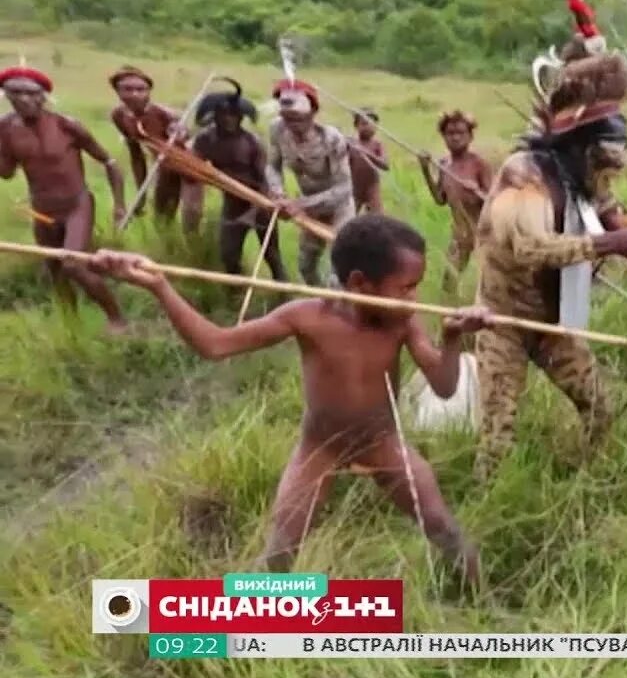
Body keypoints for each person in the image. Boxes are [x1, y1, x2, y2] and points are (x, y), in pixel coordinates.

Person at [87, 214, 486, 585]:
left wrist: (451, 338)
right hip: (320, 448)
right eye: (407, 288)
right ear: (361, 284)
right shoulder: (307, 317)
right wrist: (159, 285)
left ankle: (481, 602)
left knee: (443, 528)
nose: (415, 299)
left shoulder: (402, 322)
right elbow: (214, 344)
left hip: (382, 442)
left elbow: (445, 386)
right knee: (279, 553)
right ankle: (255, 634)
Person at [471, 34, 627, 482]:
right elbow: (531, 247)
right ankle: (485, 499)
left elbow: (624, 235)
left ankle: (585, 482)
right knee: (497, 434)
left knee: (600, 408)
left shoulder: (586, 180)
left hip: (554, 322)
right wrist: (609, 246)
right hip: (503, 321)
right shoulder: (525, 176)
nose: (608, 175)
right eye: (603, 162)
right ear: (581, 147)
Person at [0, 65, 129, 332]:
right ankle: (71, 324)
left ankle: (116, 319)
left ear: (43, 96)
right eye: (15, 93)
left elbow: (109, 161)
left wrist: (119, 204)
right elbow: (7, 172)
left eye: (30, 93)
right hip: (41, 211)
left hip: (76, 206)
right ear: (6, 96)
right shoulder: (5, 129)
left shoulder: (66, 125)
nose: (24, 99)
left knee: (73, 265)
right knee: (55, 270)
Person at [191, 77, 287, 282]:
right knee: (229, 256)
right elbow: (193, 167)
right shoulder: (205, 140)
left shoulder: (251, 142)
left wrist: (258, 208)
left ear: (241, 117)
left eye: (233, 115)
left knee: (272, 256)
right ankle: (233, 295)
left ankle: (283, 295)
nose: (228, 119)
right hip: (232, 206)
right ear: (214, 116)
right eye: (223, 114)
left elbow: (265, 179)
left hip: (259, 204)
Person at [265, 79, 356, 286]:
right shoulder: (277, 130)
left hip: (339, 208)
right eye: (287, 119)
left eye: (298, 119)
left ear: (312, 113)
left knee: (339, 269)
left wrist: (300, 205)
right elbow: (272, 166)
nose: (293, 124)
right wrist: (278, 192)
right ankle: (319, 305)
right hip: (309, 208)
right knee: (306, 265)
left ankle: (342, 310)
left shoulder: (331, 139)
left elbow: (344, 188)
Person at [108, 65, 203, 231]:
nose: (135, 94)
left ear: (149, 91)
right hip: (165, 167)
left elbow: (190, 140)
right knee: (162, 222)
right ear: (117, 91)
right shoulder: (119, 116)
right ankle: (166, 251)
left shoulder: (164, 114)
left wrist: (182, 132)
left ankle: (196, 254)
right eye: (127, 89)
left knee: (190, 218)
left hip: (190, 169)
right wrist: (141, 194)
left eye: (141, 89)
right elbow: (136, 154)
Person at [418, 110, 492, 295]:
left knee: (489, 279)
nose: (456, 138)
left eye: (461, 133)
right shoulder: (444, 164)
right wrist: (425, 170)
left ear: (470, 136)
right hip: (460, 233)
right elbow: (440, 200)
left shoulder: (479, 164)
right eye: (450, 133)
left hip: (483, 230)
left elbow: (494, 202)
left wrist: (476, 191)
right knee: (449, 280)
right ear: (443, 136)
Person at [349, 108, 388, 215]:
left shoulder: (377, 145)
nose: (369, 127)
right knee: (348, 216)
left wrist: (367, 153)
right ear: (356, 126)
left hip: (372, 186)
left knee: (377, 217)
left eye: (373, 124)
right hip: (354, 186)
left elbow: (385, 165)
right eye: (364, 123)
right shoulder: (351, 144)